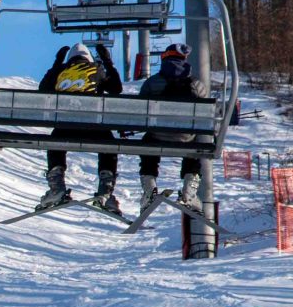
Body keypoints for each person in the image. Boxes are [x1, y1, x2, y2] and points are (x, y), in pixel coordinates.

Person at [37, 41, 124, 212]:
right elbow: (116, 89)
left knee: (54, 142)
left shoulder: (62, 71)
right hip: (95, 129)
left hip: (65, 128)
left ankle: (57, 188)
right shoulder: (96, 70)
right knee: (109, 146)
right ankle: (105, 190)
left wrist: (56, 64)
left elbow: (43, 89)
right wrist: (108, 62)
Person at [136, 43, 210, 209]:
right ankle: (189, 190)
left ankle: (149, 188)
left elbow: (140, 111)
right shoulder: (196, 84)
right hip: (186, 138)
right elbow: (206, 116)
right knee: (196, 146)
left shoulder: (152, 82)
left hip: (156, 136)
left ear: (164, 58)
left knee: (147, 143)